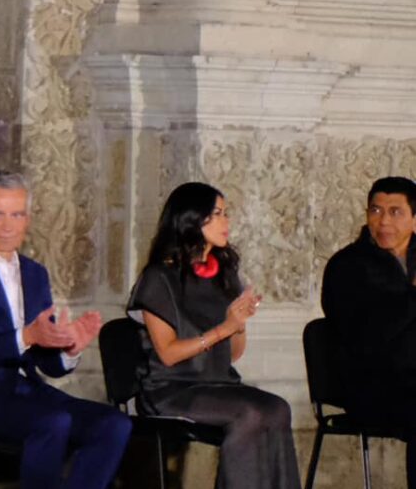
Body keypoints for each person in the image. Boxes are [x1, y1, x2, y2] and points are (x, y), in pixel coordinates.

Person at [0, 170, 128, 489]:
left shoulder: (34, 273)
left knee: (113, 423)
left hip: (28, 392)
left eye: (17, 214)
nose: (8, 226)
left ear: (28, 219)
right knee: (53, 423)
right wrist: (27, 336)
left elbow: (47, 362)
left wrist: (69, 348)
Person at [126, 182, 297, 489]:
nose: (226, 222)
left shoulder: (224, 274)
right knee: (250, 413)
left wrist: (240, 322)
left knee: (278, 408)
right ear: (191, 220)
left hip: (217, 382)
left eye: (226, 213)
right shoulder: (158, 278)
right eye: (216, 214)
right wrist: (224, 328)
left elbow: (232, 354)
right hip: (171, 388)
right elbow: (168, 353)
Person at [321, 176, 416, 488]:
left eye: (395, 212)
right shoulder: (346, 267)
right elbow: (367, 338)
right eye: (376, 211)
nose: (384, 221)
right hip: (369, 384)